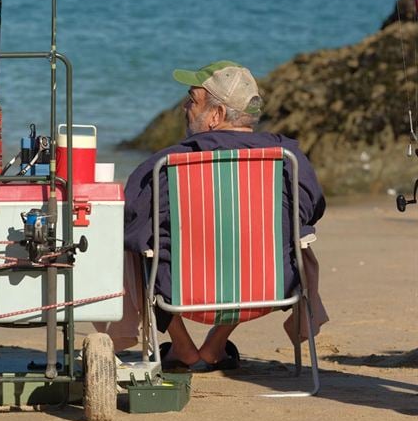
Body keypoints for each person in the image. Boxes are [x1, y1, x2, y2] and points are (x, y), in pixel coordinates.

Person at [107, 60, 328, 371]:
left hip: (180, 291)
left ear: (217, 115)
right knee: (287, 235)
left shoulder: (168, 165)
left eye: (192, 100)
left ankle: (182, 347)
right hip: (269, 287)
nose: (185, 107)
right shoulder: (287, 159)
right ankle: (214, 347)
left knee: (134, 242)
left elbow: (131, 219)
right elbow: (311, 209)